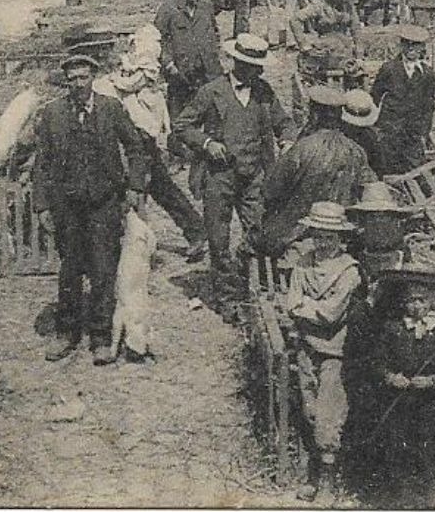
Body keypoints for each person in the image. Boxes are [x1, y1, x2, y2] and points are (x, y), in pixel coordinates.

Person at [30, 33, 150, 363]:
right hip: (67, 205)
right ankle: (66, 332)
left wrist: (135, 187)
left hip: (104, 202)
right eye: (72, 80)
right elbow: (42, 163)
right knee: (70, 270)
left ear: (93, 79)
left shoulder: (111, 109)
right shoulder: (53, 114)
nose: (78, 84)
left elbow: (137, 148)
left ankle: (100, 336)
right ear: (65, 83)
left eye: (84, 78)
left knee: (102, 268)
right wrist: (41, 205)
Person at [174, 34, 295, 306]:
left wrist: (287, 140)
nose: (258, 71)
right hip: (219, 176)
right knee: (219, 239)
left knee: (260, 232)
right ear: (238, 64)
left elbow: (284, 122)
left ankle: (255, 286)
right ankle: (227, 298)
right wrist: (207, 143)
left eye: (259, 66)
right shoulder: (211, 91)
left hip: (254, 176)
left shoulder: (264, 92)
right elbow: (182, 125)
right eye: (252, 66)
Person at [94, 24, 208, 261]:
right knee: (157, 186)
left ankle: (140, 244)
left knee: (144, 188)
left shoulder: (137, 72)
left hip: (139, 136)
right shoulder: (115, 74)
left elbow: (129, 91)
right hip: (130, 135)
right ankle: (192, 231)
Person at [356, 264, 435, 508]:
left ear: (431, 302)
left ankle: (427, 495)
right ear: (403, 303)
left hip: (430, 404)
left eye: (422, 300)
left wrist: (433, 381)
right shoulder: (392, 329)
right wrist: (391, 377)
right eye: (411, 300)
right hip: (399, 402)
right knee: (398, 446)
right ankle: (399, 497)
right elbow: (376, 362)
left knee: (428, 447)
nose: (417, 306)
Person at [280, 202, 363, 504]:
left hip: (334, 351)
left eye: (330, 236)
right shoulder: (303, 263)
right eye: (319, 235)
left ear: (340, 238)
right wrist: (306, 310)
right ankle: (313, 475)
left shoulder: (349, 271)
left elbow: (331, 313)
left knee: (329, 414)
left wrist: (306, 308)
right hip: (306, 347)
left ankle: (328, 481)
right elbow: (291, 303)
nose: (324, 242)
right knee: (310, 409)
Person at [260, 86, 374, 255]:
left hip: (296, 232)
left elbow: (271, 190)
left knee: (251, 244)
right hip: (341, 231)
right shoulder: (357, 151)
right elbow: (369, 190)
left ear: (314, 114)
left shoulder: (302, 148)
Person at [154, 0, 223, 132]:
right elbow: (157, 39)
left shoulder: (206, 5)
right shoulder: (169, 8)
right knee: (180, 119)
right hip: (181, 73)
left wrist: (214, 52)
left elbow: (214, 31)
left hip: (208, 71)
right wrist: (169, 64)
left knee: (212, 114)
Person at [369, 25, 435, 175]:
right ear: (402, 45)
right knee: (389, 168)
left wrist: (424, 133)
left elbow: (428, 106)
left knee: (414, 169)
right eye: (407, 44)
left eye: (416, 45)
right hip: (391, 130)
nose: (411, 48)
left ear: (422, 48)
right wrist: (377, 127)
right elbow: (375, 97)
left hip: (413, 132)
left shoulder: (427, 74)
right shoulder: (389, 69)